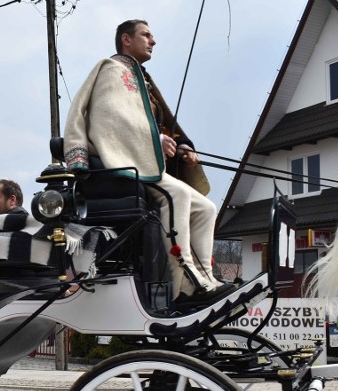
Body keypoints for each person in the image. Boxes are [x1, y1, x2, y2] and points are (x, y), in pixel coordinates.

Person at [63, 19, 233, 310]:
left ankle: (205, 278)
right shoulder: (113, 71)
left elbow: (159, 125)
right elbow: (113, 122)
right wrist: (156, 141)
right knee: (176, 196)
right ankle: (184, 285)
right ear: (126, 40)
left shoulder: (141, 78)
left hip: (144, 163)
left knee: (206, 208)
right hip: (122, 167)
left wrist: (182, 146)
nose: (153, 41)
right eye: (146, 35)